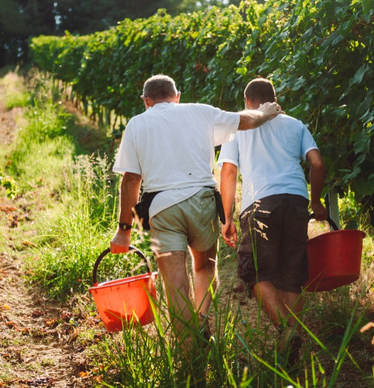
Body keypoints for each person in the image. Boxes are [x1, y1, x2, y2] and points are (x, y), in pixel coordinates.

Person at [110, 74, 282, 353]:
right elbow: (245, 120)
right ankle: (201, 319)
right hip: (202, 202)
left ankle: (191, 353)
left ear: (146, 101)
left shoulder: (137, 124)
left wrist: (123, 230)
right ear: (177, 96)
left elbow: (131, 180)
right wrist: (266, 111)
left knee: (175, 285)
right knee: (203, 266)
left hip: (162, 208)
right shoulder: (200, 111)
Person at [217, 77, 327, 365]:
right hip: (295, 202)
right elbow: (317, 163)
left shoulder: (238, 128)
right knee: (291, 277)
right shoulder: (295, 124)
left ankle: (286, 332)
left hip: (260, 204)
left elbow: (228, 171)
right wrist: (316, 201)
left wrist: (226, 217)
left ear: (247, 102)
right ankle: (291, 348)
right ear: (274, 99)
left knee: (256, 273)